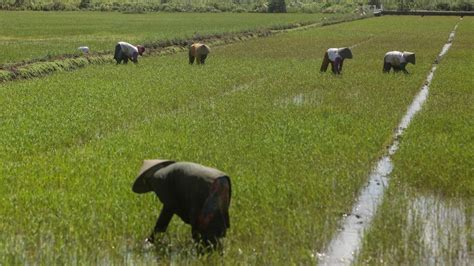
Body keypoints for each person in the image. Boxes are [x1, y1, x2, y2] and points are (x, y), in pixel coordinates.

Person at [132, 159, 231, 250]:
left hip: (206, 186)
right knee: (212, 231)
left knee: (203, 235)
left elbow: (169, 207)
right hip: (221, 180)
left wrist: (153, 237)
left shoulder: (157, 178)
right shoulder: (167, 173)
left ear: (147, 179)